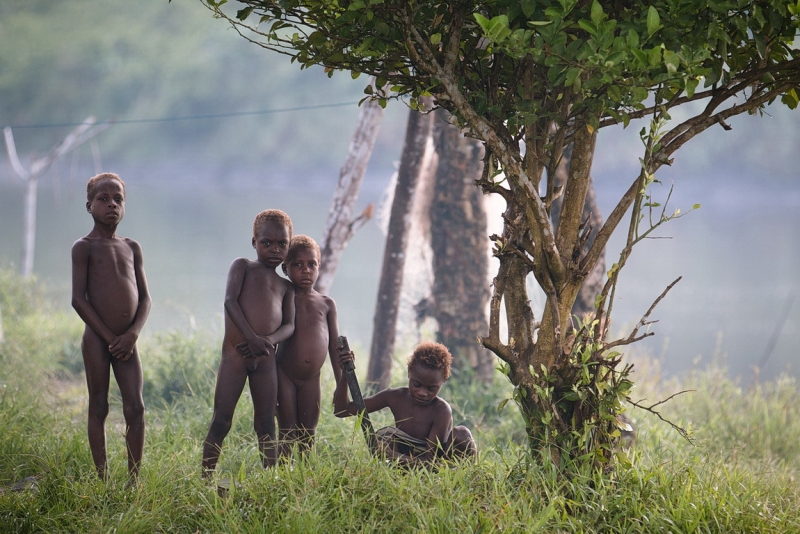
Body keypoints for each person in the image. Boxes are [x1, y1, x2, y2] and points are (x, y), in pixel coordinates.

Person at [202, 209, 296, 476]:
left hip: (265, 361)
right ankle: (205, 478)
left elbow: (289, 325)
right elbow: (230, 301)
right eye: (267, 243)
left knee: (266, 423)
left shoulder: (285, 286)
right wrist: (250, 338)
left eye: (282, 244)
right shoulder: (242, 266)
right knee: (221, 420)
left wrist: (266, 341)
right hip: (235, 356)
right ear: (254, 242)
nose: (274, 249)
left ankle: (270, 478)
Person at [71, 172, 151, 485]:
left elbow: (145, 299)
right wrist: (109, 338)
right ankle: (103, 479)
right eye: (103, 199)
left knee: (136, 407)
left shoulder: (132, 247)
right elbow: (78, 300)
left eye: (118, 199)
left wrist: (131, 335)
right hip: (97, 340)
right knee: (100, 405)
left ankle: (133, 479)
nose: (112, 205)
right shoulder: (84, 247)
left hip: (127, 342)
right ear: (89, 206)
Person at [334, 341, 477, 466]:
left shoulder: (441, 411)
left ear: (443, 382)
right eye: (417, 384)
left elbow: (430, 462)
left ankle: (471, 478)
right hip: (405, 464)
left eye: (431, 388)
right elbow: (342, 411)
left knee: (462, 434)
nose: (422, 392)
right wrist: (346, 374)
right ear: (409, 373)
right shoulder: (395, 397)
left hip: (437, 467)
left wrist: (395, 457)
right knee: (386, 436)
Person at [275, 235, 343, 457]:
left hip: (312, 378)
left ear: (319, 267)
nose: (306, 270)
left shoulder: (326, 304)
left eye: (311, 264)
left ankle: (306, 481)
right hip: (284, 374)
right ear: (285, 268)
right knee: (287, 431)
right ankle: (281, 479)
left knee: (308, 432)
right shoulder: (283, 297)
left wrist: (341, 386)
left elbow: (335, 347)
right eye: (297, 265)